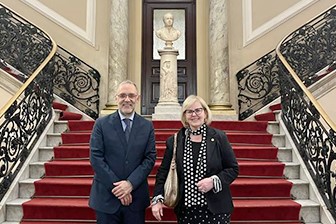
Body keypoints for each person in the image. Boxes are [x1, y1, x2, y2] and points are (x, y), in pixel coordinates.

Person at [151, 95, 239, 224]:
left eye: (198, 110)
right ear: (184, 115)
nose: (194, 114)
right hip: (186, 211)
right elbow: (163, 172)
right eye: (189, 111)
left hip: (216, 210)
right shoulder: (175, 141)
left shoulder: (219, 137)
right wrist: (157, 200)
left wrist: (214, 181)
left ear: (205, 112)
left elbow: (233, 169)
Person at [89, 80, 156, 224]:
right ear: (116, 98)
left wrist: (130, 184)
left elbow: (149, 159)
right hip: (106, 198)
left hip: (136, 197)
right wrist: (119, 188)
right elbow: (96, 158)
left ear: (138, 98)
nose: (127, 99)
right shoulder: (101, 124)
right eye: (122, 95)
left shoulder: (147, 126)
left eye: (131, 95)